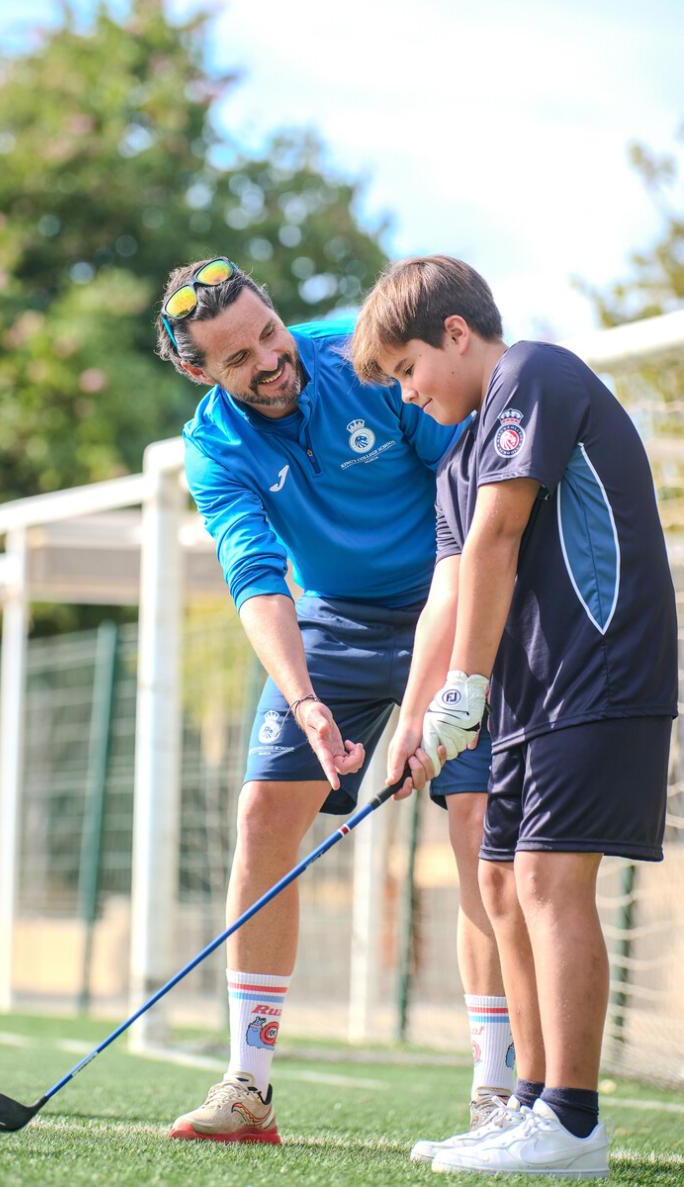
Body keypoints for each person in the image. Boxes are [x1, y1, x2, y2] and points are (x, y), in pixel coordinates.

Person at [155, 257, 514, 1144]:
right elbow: (256, 575)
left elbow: (462, 511)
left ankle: (498, 1090)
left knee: (474, 822)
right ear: (200, 373)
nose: (271, 360)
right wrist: (305, 699)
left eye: (268, 332)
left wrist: (434, 678)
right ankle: (248, 1087)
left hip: (450, 593)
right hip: (337, 621)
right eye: (237, 359)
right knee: (264, 814)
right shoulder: (214, 447)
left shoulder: (366, 360)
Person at [351, 255, 677, 1177]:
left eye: (409, 370)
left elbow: (499, 538)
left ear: (456, 334)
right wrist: (415, 723)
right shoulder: (459, 457)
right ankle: (528, 1104)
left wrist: (466, 691)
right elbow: (447, 593)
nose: (408, 394)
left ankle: (573, 1123)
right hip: (537, 693)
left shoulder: (536, 371)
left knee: (543, 883)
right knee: (498, 887)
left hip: (604, 673)